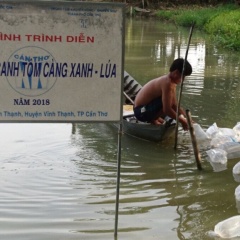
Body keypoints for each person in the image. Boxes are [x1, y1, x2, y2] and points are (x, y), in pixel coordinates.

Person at [133, 58, 192, 131]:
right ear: (176, 73)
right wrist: (182, 121)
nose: (183, 80)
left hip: (145, 108)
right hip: (140, 112)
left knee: (169, 102)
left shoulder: (172, 83)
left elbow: (174, 105)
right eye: (183, 77)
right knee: (166, 103)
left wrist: (187, 118)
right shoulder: (167, 83)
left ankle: (154, 118)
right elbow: (167, 109)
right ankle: (152, 119)